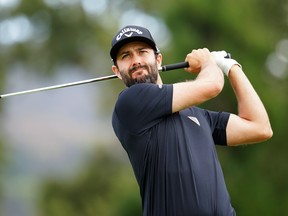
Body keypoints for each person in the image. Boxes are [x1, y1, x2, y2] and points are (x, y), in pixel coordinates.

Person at [110, 25, 273, 216]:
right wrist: (208, 62)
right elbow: (212, 86)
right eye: (126, 56)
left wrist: (231, 67)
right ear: (117, 70)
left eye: (142, 52)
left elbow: (260, 127)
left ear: (158, 59)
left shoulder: (197, 115)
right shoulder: (130, 102)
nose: (136, 61)